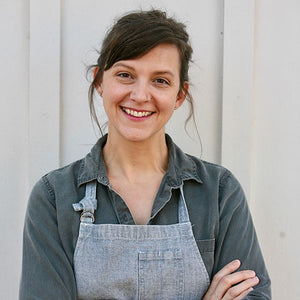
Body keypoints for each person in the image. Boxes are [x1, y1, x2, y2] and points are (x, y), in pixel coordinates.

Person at [19, 9, 271, 300]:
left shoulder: (218, 192)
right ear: (100, 81)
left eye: (160, 80)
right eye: (125, 75)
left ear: (180, 95)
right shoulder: (53, 198)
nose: (140, 95)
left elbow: (254, 294)